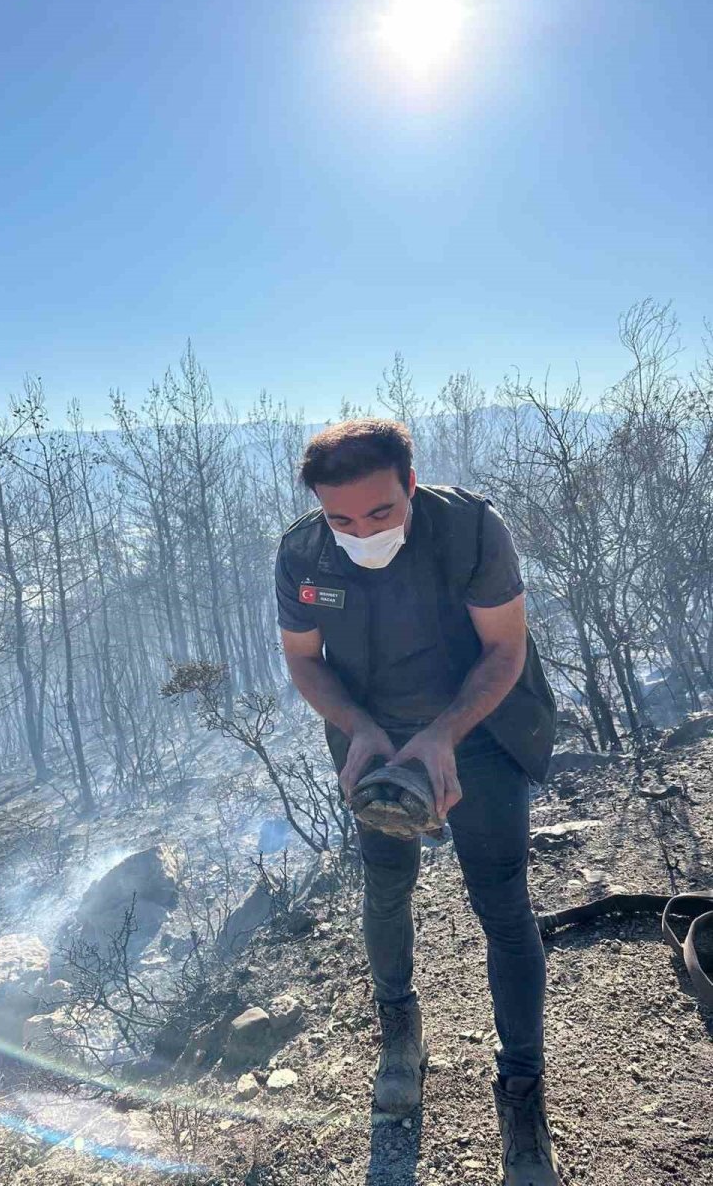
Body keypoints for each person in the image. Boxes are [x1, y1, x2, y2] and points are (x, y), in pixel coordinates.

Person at [273, 418, 561, 1186]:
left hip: (480, 729)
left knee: (502, 903)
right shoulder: (303, 553)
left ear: (410, 482)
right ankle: (401, 1034)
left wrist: (444, 737)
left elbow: (506, 648)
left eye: (379, 512)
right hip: (373, 746)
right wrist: (361, 730)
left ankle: (522, 1094)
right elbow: (304, 661)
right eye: (342, 519)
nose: (359, 532)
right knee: (386, 886)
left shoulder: (468, 530)